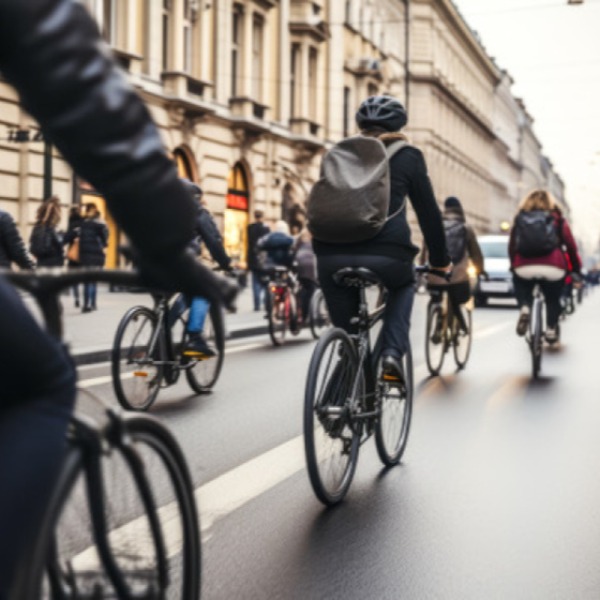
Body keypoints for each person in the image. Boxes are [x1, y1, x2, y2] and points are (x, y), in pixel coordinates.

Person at [0, 2, 236, 596]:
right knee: (40, 383)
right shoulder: (197, 206)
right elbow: (59, 58)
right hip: (158, 268)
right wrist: (167, 239)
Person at [312, 95, 451, 381]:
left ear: (360, 125)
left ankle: (346, 370)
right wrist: (440, 262)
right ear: (400, 125)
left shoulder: (337, 153)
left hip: (329, 254)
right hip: (387, 253)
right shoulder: (408, 156)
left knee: (349, 332)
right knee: (405, 284)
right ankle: (390, 353)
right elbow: (429, 215)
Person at [509, 188, 581, 344]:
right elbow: (571, 246)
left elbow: (512, 245)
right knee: (553, 298)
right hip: (553, 267)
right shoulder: (558, 219)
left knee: (521, 284)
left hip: (524, 266)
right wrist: (576, 269)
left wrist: (513, 265)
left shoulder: (520, 218)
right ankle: (551, 329)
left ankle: (525, 307)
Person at [174, 180, 232, 358]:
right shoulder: (198, 212)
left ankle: (157, 340)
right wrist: (225, 263)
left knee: (166, 301)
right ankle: (195, 337)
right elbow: (213, 241)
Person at [426, 195, 485, 333]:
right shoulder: (466, 228)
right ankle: (462, 326)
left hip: (436, 273)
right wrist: (480, 270)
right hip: (457, 276)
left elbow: (425, 251)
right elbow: (475, 253)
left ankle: (439, 313)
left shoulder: (434, 226)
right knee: (459, 297)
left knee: (437, 294)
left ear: (445, 209)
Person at [72, 202, 109, 312]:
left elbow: (73, 235)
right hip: (97, 255)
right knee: (93, 280)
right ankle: (93, 304)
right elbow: (105, 239)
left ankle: (86, 304)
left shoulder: (82, 224)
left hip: (85, 255)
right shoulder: (100, 223)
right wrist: (103, 245)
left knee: (87, 280)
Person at [292, 223, 318, 324]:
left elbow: (293, 250)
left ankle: (298, 311)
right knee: (311, 289)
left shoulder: (299, 239)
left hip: (299, 264)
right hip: (310, 265)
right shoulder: (313, 239)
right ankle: (304, 315)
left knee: (302, 287)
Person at [29, 195, 64, 267]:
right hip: (53, 267)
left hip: (40, 265)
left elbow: (32, 247)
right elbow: (59, 243)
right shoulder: (53, 229)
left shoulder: (37, 226)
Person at [246, 209, 270, 311]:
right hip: (263, 259)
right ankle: (265, 302)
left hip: (252, 258)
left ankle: (256, 305)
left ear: (255, 216)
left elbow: (249, 243)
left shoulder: (250, 228)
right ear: (262, 216)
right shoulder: (266, 229)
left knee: (255, 282)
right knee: (265, 282)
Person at [66, 205, 84, 307]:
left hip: (73, 255)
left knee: (74, 278)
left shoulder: (72, 224)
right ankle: (88, 301)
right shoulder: (84, 223)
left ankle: (76, 297)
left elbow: (67, 238)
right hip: (83, 255)